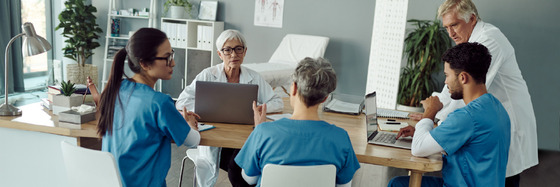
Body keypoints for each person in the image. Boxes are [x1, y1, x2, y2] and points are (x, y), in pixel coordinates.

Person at [408, 1, 538, 185]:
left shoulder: (489, 41)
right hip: (489, 119)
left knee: (502, 177)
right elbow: (452, 88)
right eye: (446, 27)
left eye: (455, 25)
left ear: (472, 18)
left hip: (503, 120)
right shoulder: (469, 44)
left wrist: (432, 123)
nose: (451, 33)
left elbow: (465, 91)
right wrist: (430, 117)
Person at [391, 42, 510, 186]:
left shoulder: (467, 116)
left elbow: (418, 148)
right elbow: (470, 141)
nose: (446, 82)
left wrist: (430, 111)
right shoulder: (496, 108)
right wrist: (425, 133)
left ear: (463, 78)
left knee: (398, 184)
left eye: (447, 75)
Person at [175, 29, 284, 187]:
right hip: (217, 135)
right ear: (220, 54)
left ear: (245, 52)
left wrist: (258, 107)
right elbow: (182, 100)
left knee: (239, 170)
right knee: (240, 170)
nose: (234, 55)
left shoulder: (254, 77)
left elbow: (277, 101)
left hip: (243, 135)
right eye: (228, 50)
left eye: (238, 49)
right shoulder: (207, 74)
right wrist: (202, 107)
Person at [96, 28, 201, 187]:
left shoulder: (115, 90)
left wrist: (174, 116)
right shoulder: (159, 102)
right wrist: (190, 124)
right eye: (167, 57)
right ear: (144, 63)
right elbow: (193, 140)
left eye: (171, 54)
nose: (173, 62)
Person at [235, 57, 361, 187]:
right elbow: (344, 185)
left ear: (294, 88)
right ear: (325, 98)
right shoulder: (340, 138)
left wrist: (259, 130)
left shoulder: (263, 132)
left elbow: (250, 179)